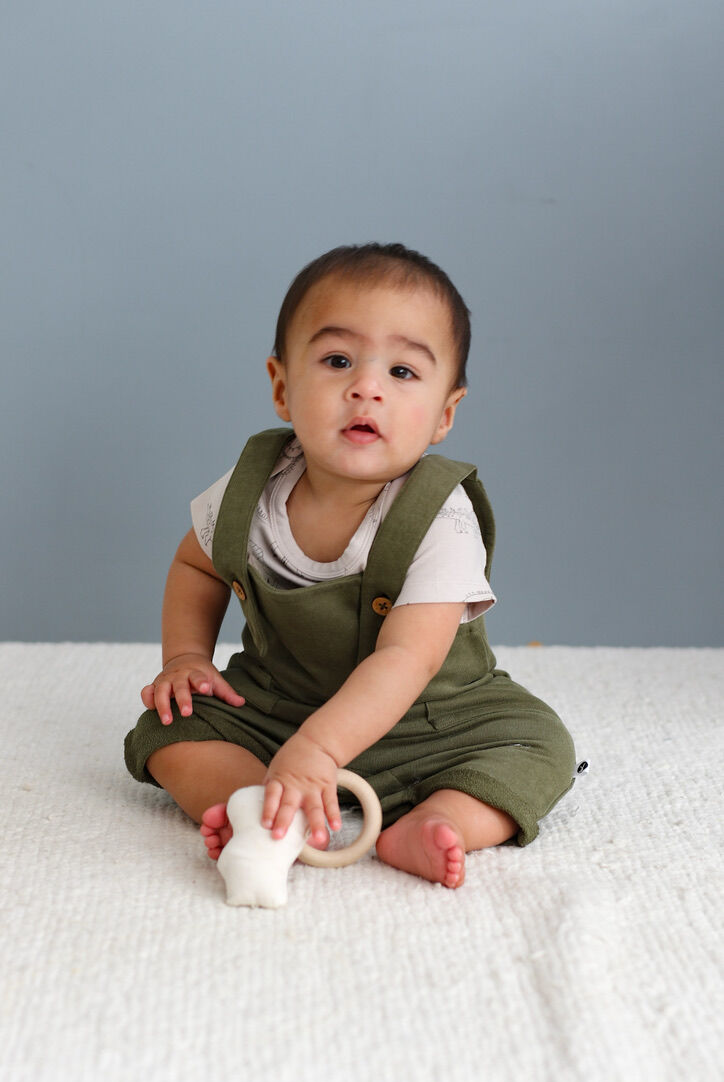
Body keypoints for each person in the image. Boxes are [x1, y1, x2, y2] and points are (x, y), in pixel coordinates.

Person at [124, 242, 575, 889]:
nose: (367, 387)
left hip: (432, 722)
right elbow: (196, 566)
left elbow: (407, 659)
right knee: (171, 731)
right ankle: (258, 805)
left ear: (445, 414)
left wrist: (319, 748)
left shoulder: (440, 516)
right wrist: (186, 659)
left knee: (538, 746)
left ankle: (439, 818)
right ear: (282, 387)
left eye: (403, 371)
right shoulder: (251, 490)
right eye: (338, 361)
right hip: (279, 705)